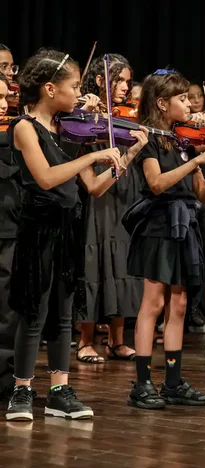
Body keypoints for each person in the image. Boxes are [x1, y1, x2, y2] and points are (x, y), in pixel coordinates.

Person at [5, 48, 127, 421]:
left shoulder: (66, 130)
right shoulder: (25, 128)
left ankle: (59, 389)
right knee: (34, 312)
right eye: (74, 86)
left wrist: (129, 153)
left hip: (67, 227)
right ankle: (21, 390)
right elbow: (46, 178)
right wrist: (91, 155)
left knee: (62, 313)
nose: (80, 93)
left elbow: (93, 187)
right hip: (38, 229)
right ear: (49, 89)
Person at [123, 69, 205, 410]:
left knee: (178, 304)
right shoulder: (145, 139)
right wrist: (200, 157)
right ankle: (143, 383)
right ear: (162, 104)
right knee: (154, 304)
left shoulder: (184, 142)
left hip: (185, 225)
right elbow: (157, 184)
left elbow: (204, 196)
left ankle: (173, 383)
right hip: (158, 226)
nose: (188, 104)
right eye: (180, 99)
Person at [75, 53, 146, 364]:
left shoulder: (126, 115)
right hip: (97, 194)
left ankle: (117, 340)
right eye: (119, 80)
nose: (125, 88)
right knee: (95, 260)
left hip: (125, 189)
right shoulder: (85, 114)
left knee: (122, 260)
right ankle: (86, 339)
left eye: (128, 82)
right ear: (101, 80)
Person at [0, 72, 19, 397]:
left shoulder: (14, 133)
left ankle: (4, 377)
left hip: (7, 223)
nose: (4, 106)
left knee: (5, 305)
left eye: (6, 98)